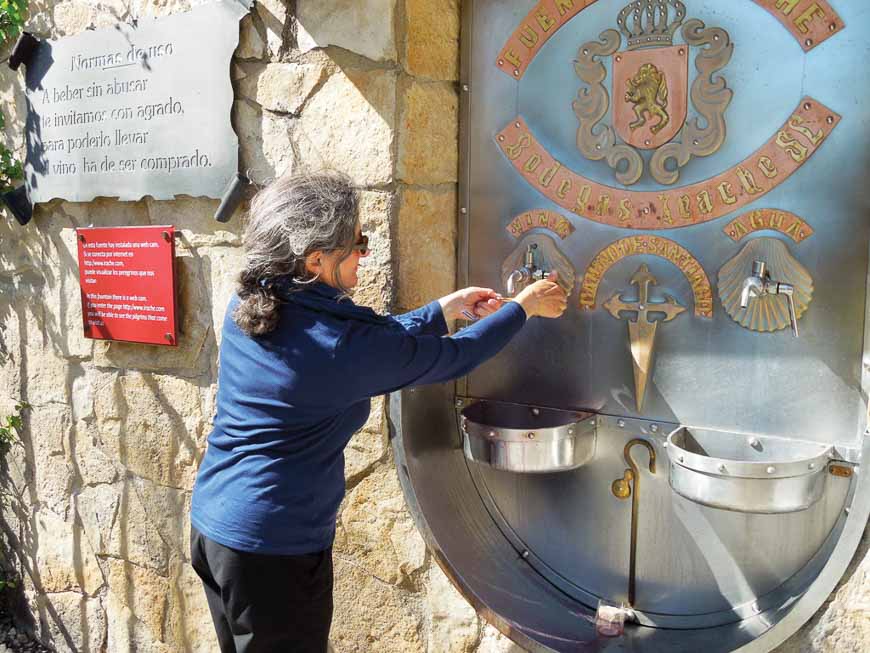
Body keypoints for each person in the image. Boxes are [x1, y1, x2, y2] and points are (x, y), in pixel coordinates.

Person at [189, 171, 568, 653]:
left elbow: (371, 344)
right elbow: (453, 358)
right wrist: (524, 308)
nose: (364, 252)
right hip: (272, 550)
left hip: (217, 528)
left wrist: (443, 310)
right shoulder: (336, 348)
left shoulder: (256, 301)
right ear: (315, 260)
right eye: (358, 243)